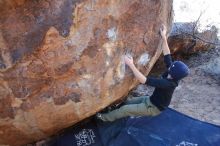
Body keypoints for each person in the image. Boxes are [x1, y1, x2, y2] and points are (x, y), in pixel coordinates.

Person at [97, 24, 190, 122]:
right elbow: (167, 53)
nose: (169, 66)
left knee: (125, 109)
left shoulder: (169, 84)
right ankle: (113, 112)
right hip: (150, 99)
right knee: (127, 102)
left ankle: (103, 118)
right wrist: (164, 37)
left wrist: (131, 65)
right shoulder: (172, 72)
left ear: (174, 74)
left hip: (154, 108)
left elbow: (144, 80)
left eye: (171, 67)